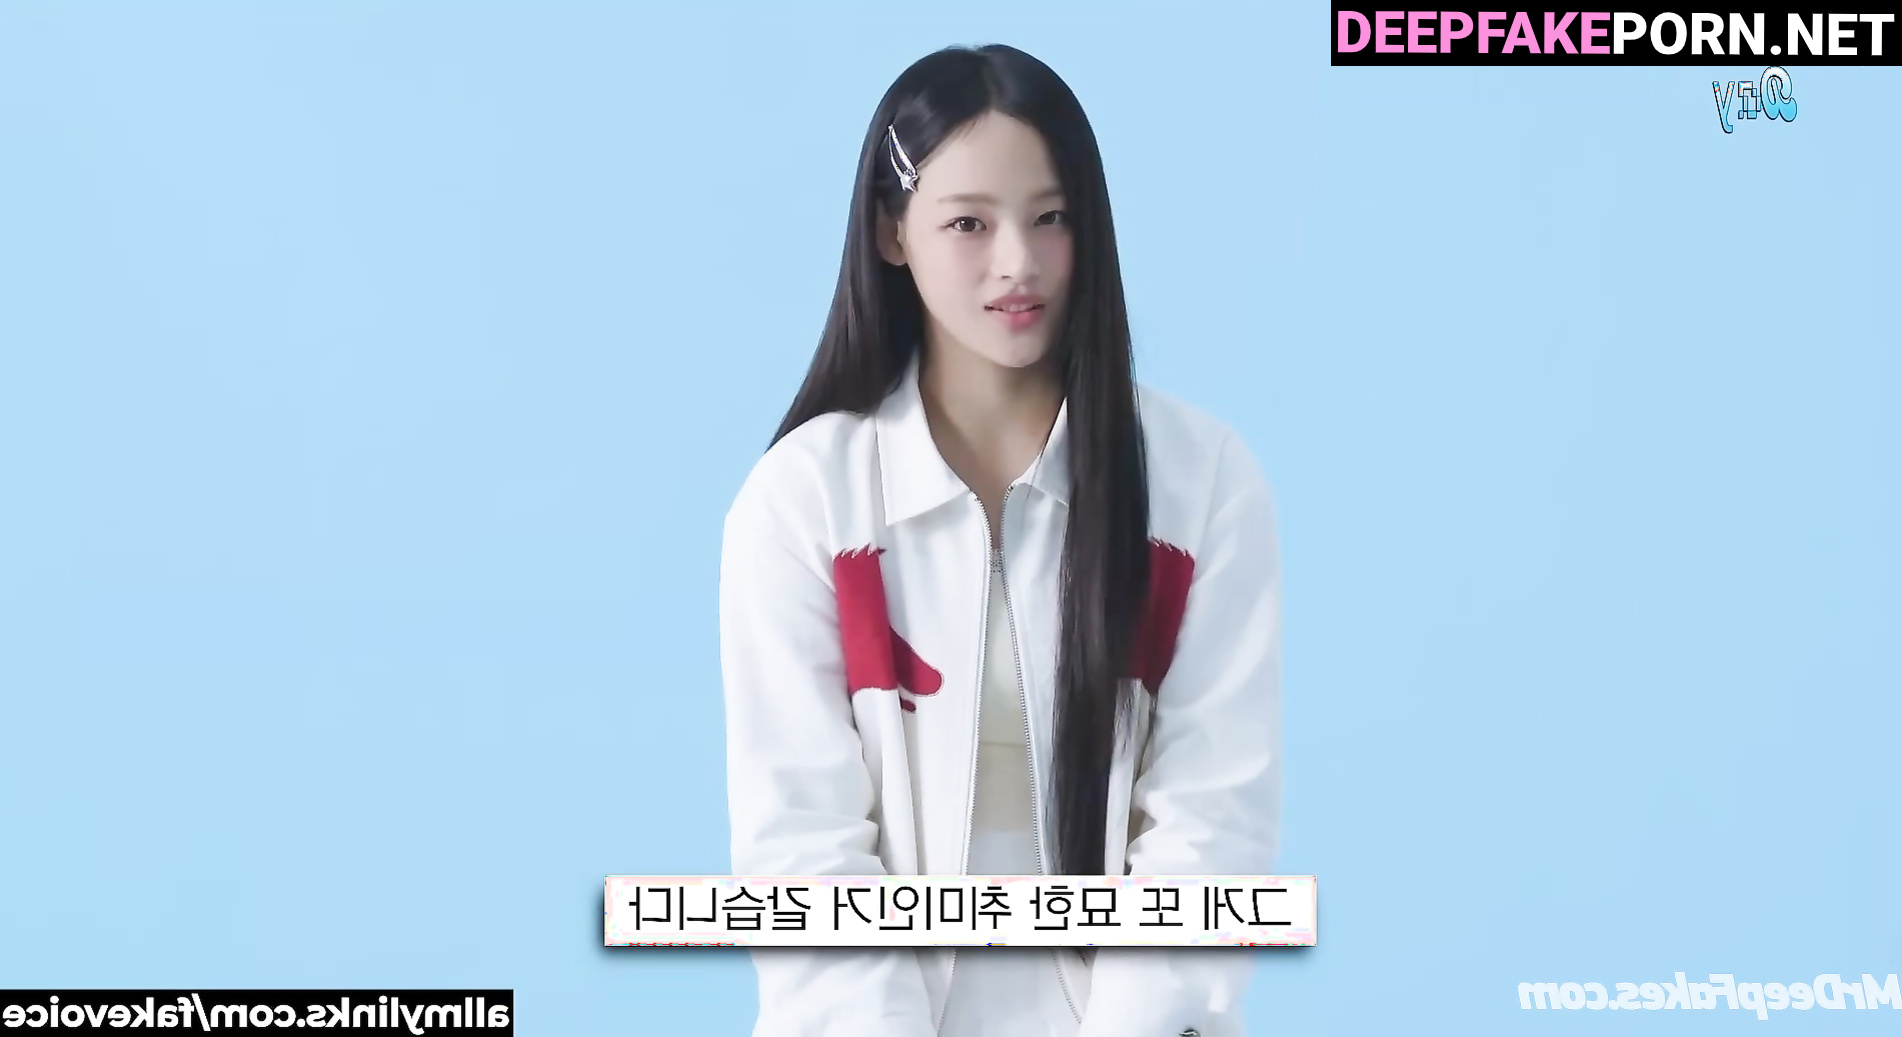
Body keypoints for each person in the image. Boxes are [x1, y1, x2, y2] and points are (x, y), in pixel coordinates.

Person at [720, 43, 1281, 1037]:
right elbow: (801, 843)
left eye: (1051, 217)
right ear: (893, 231)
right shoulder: (805, 500)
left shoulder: (1199, 485)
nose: (1018, 261)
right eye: (969, 223)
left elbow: (1211, 819)